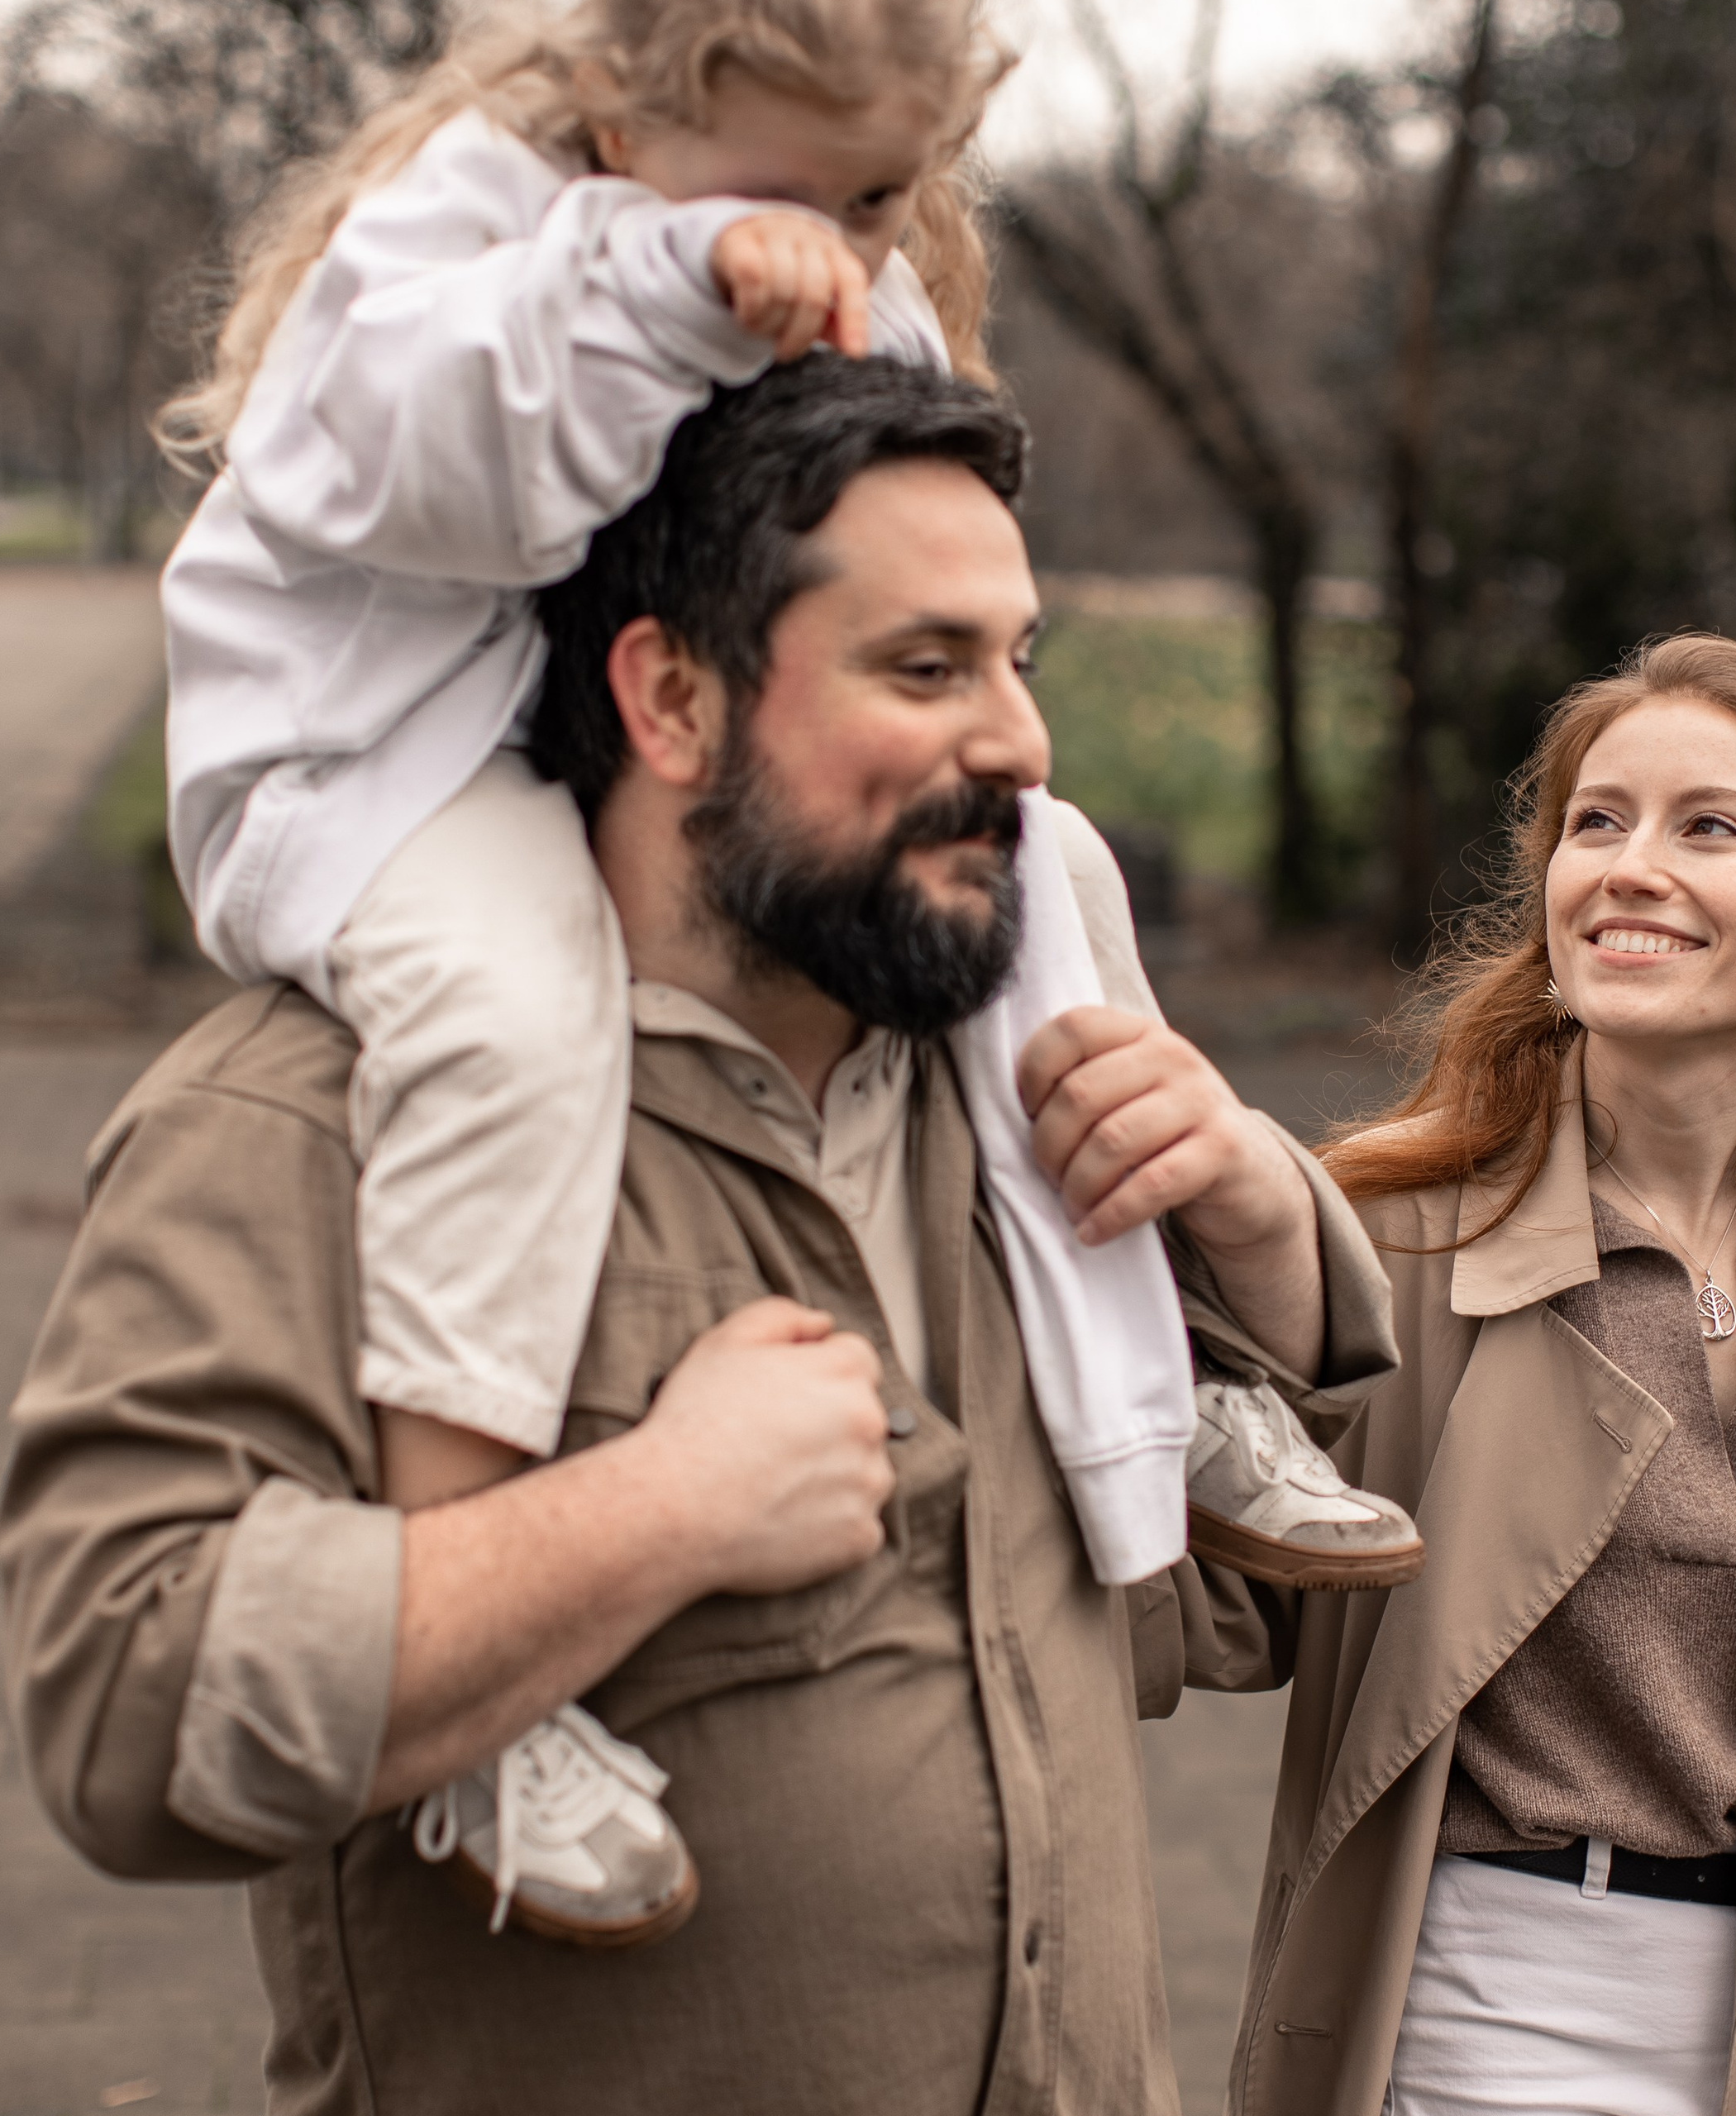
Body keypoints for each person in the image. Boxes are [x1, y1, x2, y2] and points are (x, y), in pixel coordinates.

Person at [0, 355, 1401, 2113]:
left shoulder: (1013, 1102)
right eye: (924, 667)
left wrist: (1263, 1240)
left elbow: (1217, 1615)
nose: (1022, 747)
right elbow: (122, 1703)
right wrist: (650, 1516)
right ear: (670, 698)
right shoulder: (313, 1116)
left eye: (1017, 662)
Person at [155, 0, 1415, 1939]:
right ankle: (479, 1624)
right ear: (628, 102)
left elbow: (894, 511)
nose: (840, 234)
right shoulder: (464, 233)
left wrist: (1247, 1217)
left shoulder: (839, 256)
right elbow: (450, 482)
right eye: (794, 185)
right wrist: (677, 279)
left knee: (1038, 853)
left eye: (882, 190)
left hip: (559, 735)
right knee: (508, 1006)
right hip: (366, 762)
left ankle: (1162, 1394)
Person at [1223, 636, 1736, 2115]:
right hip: (1448, 2036)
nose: (1627, 866)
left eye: (1711, 827)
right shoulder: (1389, 1241)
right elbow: (1210, 1606)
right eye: (1595, 822)